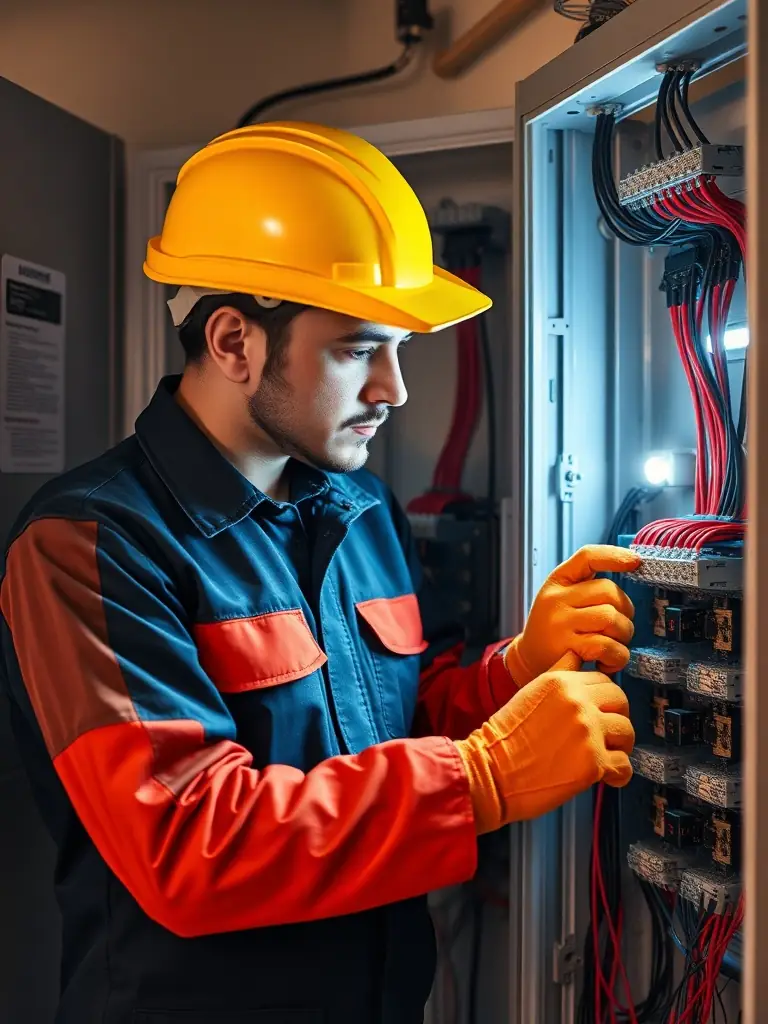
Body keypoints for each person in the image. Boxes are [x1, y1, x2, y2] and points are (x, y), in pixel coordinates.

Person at [0, 122, 640, 1024]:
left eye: (398, 350)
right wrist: (481, 779)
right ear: (233, 343)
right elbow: (190, 845)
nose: (394, 389)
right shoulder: (89, 544)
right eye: (357, 349)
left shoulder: (360, 508)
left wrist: (514, 672)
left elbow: (387, 727)